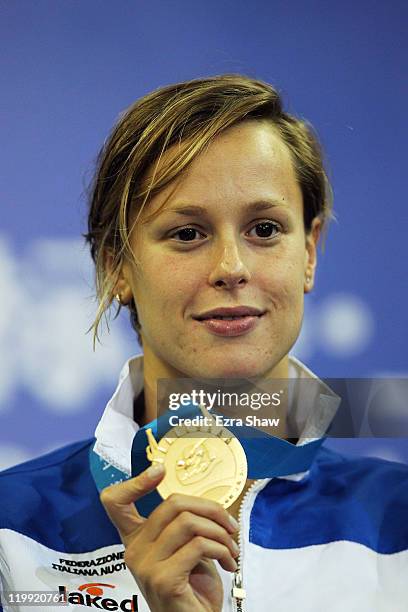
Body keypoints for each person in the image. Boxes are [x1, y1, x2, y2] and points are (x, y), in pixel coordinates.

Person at [1, 74, 407, 612]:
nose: (232, 268)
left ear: (308, 252)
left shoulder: (398, 518)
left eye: (264, 229)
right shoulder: (12, 534)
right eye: (187, 234)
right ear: (115, 266)